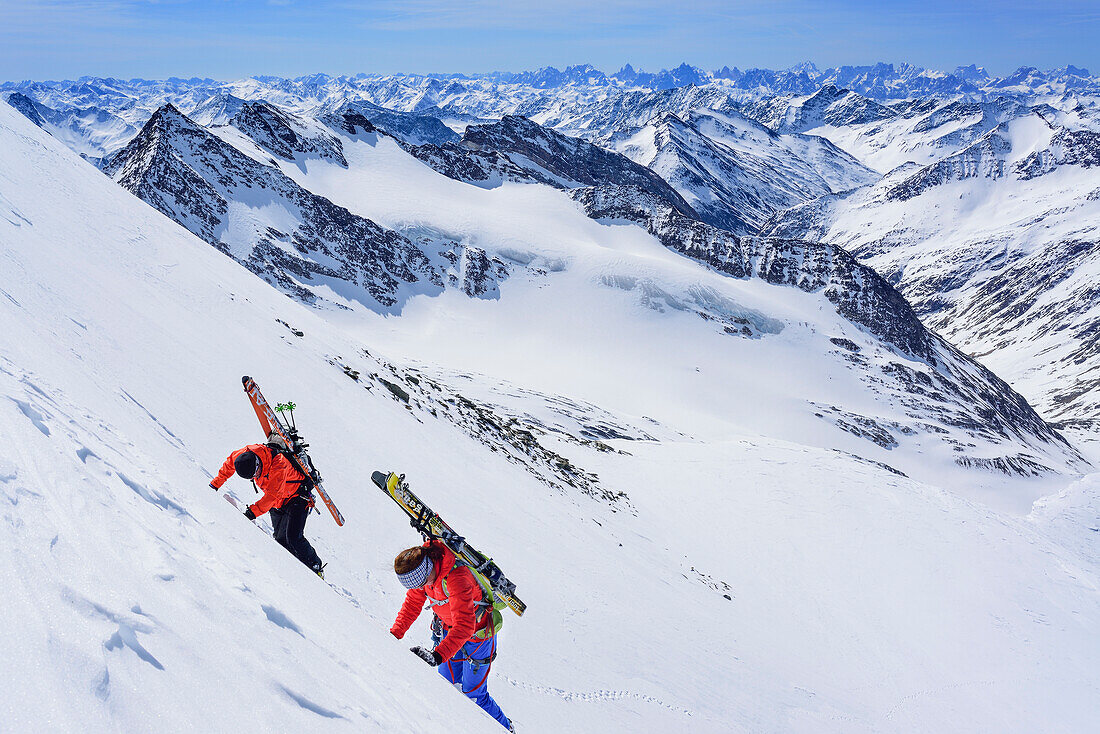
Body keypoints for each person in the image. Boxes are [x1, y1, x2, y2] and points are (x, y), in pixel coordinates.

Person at [390, 541, 513, 731]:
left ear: (429, 567)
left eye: (423, 582)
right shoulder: (423, 573)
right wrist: (393, 636)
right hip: (448, 633)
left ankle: (506, 729)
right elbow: (412, 604)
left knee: (473, 695)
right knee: (447, 687)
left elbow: (465, 626)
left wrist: (437, 656)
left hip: (478, 637)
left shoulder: (457, 577)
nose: (422, 587)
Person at [210, 443, 324, 577]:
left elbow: (272, 496)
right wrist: (215, 484)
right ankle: (297, 573)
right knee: (281, 540)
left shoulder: (279, 464)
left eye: (255, 474)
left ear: (257, 464)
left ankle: (316, 567)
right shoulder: (242, 455)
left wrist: (251, 513)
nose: (255, 477)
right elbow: (230, 464)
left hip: (298, 498)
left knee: (293, 538)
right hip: (278, 502)